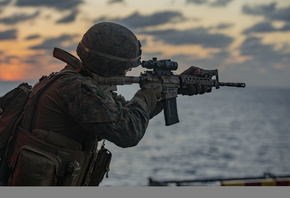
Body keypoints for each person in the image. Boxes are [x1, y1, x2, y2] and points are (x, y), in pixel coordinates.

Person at [3, 22, 207, 186]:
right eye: (125, 67)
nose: (126, 72)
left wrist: (170, 91)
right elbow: (128, 131)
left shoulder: (76, 81)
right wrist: (149, 93)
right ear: (110, 64)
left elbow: (127, 114)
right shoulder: (76, 88)